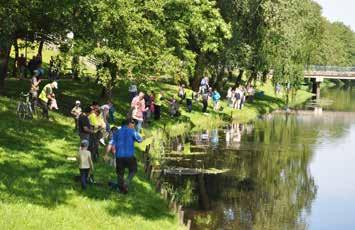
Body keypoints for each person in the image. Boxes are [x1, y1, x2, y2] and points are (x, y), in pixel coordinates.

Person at [105, 119, 143, 193]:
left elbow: (110, 143)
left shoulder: (116, 132)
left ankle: (120, 189)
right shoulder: (132, 131)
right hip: (129, 156)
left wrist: (106, 154)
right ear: (128, 124)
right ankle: (126, 182)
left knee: (120, 173)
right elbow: (140, 139)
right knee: (133, 170)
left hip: (119, 156)